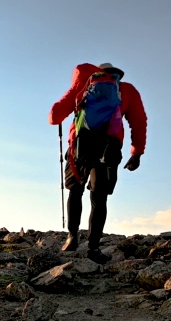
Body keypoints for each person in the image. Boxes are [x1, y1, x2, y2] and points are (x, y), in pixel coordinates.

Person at [48, 62, 147, 262]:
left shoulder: (83, 85)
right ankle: (94, 248)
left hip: (79, 147)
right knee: (99, 198)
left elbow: (54, 116)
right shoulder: (127, 90)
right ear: (117, 75)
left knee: (75, 191)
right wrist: (136, 152)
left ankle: (72, 237)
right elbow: (139, 121)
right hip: (109, 149)